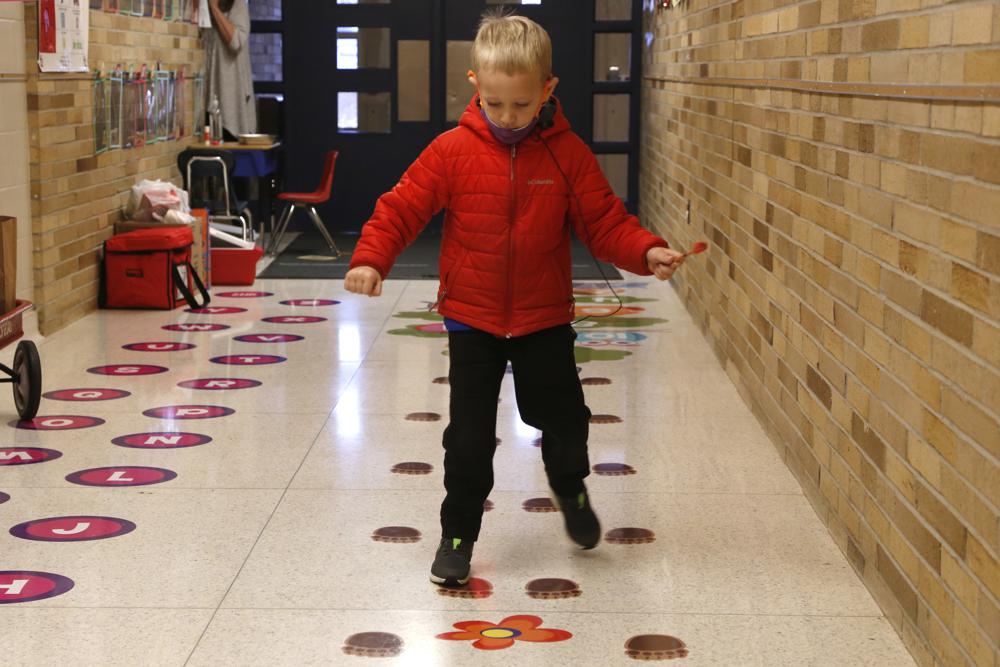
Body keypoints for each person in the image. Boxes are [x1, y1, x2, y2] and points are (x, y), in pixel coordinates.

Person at [344, 12, 686, 587]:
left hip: (543, 317)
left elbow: (605, 222)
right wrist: (370, 259)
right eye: (496, 104)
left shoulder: (567, 154)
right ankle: (457, 535)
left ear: (547, 91)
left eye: (522, 106)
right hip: (471, 319)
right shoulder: (452, 150)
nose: (508, 118)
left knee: (564, 419)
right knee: (469, 438)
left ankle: (571, 486)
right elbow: (400, 207)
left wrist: (645, 251)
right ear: (476, 84)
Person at [202, 0, 256, 138]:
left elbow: (236, 41)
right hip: (210, 102)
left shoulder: (237, 5)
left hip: (231, 102)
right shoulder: (203, 9)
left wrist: (214, 7)